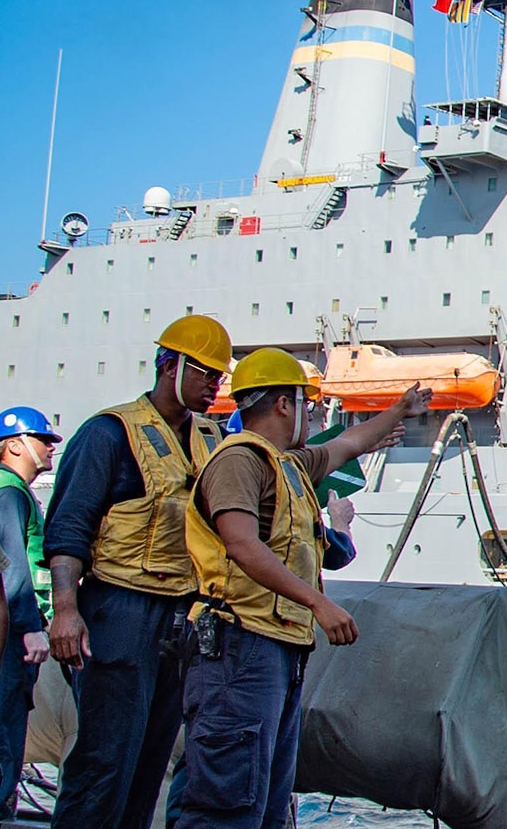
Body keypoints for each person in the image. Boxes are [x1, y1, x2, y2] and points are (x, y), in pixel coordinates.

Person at [176, 349, 428, 829]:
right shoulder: (239, 462)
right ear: (283, 405)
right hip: (239, 647)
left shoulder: (287, 465)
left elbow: (350, 444)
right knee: (228, 798)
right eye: (306, 404)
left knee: (266, 798)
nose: (313, 415)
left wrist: (399, 410)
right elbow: (242, 545)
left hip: (276, 650)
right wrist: (319, 603)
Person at [42, 314, 231, 829]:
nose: (215, 386)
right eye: (206, 374)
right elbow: (68, 527)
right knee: (105, 759)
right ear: (171, 366)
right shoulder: (109, 434)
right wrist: (65, 611)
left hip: (182, 616)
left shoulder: (212, 439)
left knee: (151, 762)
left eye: (220, 377)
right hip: (118, 610)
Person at [0, 407, 56, 816]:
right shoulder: (9, 492)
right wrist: (29, 627)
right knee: (4, 732)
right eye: (42, 440)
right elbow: (13, 568)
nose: (50, 448)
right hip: (10, 638)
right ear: (15, 445)